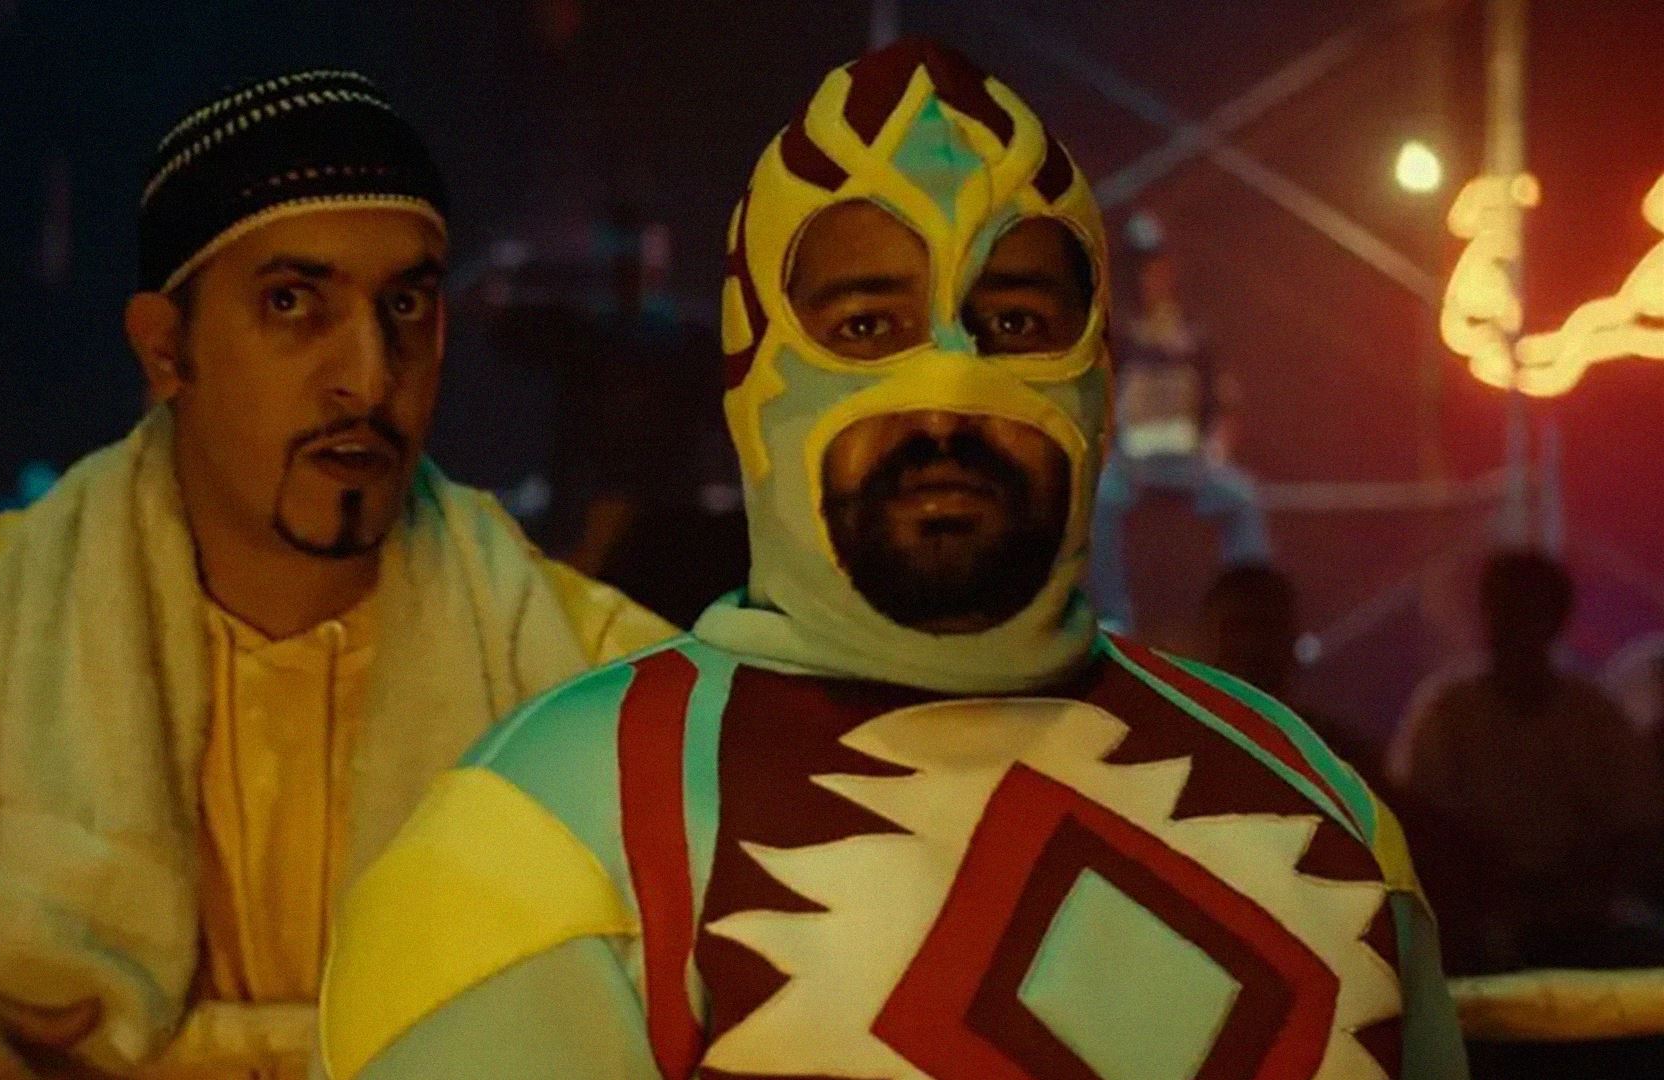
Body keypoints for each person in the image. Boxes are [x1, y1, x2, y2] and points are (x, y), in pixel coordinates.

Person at [319, 40, 1466, 1080]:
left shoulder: (1318, 807)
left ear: (1098, 372)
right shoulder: (549, 843)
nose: (947, 395)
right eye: (867, 327)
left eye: (1015, 323)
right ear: (753, 370)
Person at [0, 70, 672, 1079]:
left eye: (403, 304)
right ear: (164, 349)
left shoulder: (593, 673)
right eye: (292, 302)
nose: (368, 376)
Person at [1389, 549, 1664, 972]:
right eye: (1509, 608)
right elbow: (1422, 823)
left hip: (1583, 920)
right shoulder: (1447, 713)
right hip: (1475, 921)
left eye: (1533, 611)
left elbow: (1634, 825)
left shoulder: (1594, 716)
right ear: (1487, 614)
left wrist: (1573, 888)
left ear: (1558, 619)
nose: (1520, 625)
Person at [1200, 562, 1383, 784]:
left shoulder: (1340, 758)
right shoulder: (1336, 758)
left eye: (1265, 627)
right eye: (1236, 628)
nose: (1250, 645)